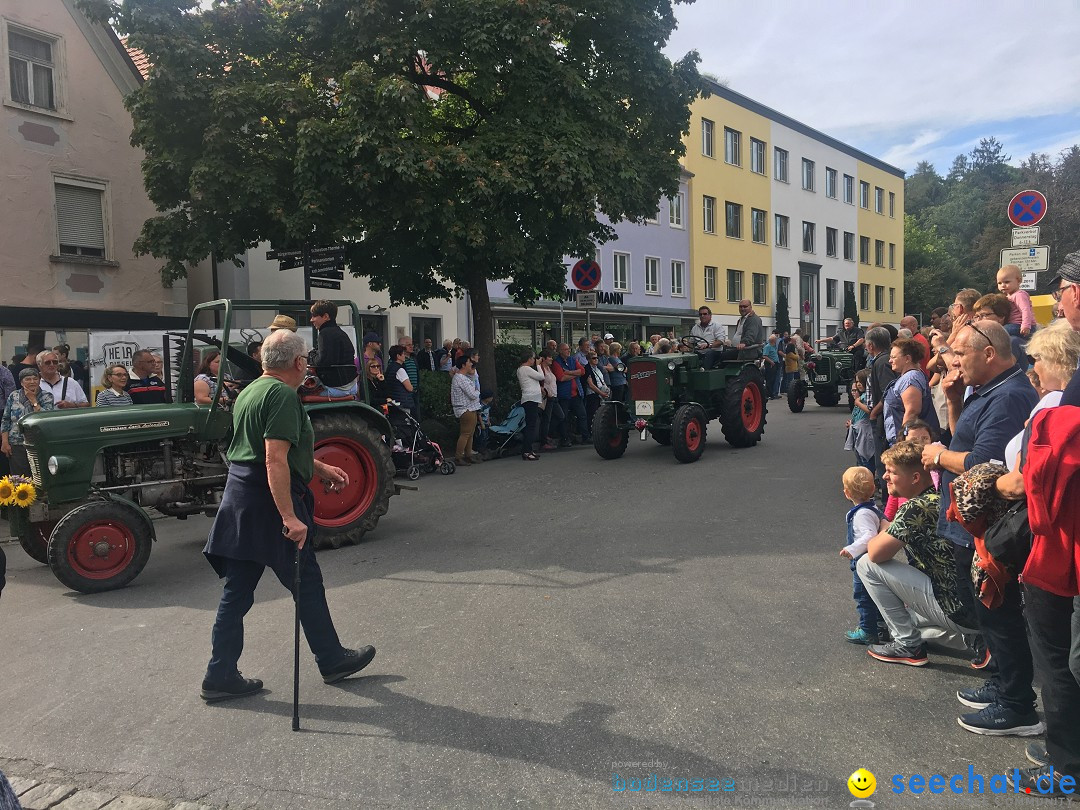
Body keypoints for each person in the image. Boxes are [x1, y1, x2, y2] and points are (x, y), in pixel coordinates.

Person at [200, 329, 374, 702]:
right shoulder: (281, 394)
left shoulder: (252, 390)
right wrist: (289, 517)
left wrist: (321, 468)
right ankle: (331, 660)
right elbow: (273, 458)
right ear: (299, 363)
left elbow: (269, 450)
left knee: (237, 593)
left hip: (242, 497)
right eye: (307, 359)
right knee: (306, 582)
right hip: (268, 502)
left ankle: (220, 674)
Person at [921, 320, 1039, 729]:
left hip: (987, 529)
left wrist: (937, 456)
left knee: (997, 611)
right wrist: (954, 402)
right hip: (972, 524)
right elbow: (964, 441)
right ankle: (1002, 681)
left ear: (988, 353)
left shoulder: (1008, 396)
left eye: (961, 353)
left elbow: (983, 464)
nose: (952, 362)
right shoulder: (987, 390)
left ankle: (1016, 702)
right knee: (986, 612)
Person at [858, 440, 977, 666]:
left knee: (866, 564)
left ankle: (908, 645)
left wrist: (880, 526)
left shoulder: (916, 507)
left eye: (892, 472)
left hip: (955, 605)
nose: (884, 476)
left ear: (915, 478)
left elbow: (875, 553)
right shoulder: (937, 496)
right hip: (972, 603)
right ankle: (977, 639)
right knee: (909, 618)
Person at [839, 466, 886, 645]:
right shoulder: (871, 508)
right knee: (875, 594)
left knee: (863, 596)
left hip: (863, 561)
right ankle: (880, 626)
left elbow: (869, 536)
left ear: (846, 493)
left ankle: (867, 629)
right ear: (873, 489)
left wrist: (853, 548)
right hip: (871, 560)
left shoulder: (862, 514)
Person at [1, 368, 56, 476]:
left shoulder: (47, 396)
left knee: (39, 476)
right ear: (21, 382)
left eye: (35, 379)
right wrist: (5, 442)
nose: (32, 381)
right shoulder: (13, 396)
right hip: (16, 444)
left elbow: (45, 418)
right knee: (19, 479)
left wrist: (33, 400)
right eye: (28, 379)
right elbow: (6, 419)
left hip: (38, 443)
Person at [882, 338, 937, 446]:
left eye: (893, 357)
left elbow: (912, 411)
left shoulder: (910, 378)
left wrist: (903, 442)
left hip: (907, 443)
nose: (890, 360)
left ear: (907, 358)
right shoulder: (910, 376)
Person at [864, 327, 897, 498]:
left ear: (870, 346)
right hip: (881, 418)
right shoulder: (882, 360)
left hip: (882, 419)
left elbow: (889, 392)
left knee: (882, 461)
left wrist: (874, 412)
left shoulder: (882, 362)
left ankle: (886, 499)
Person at [309, 301, 358, 397]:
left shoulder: (325, 333)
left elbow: (322, 361)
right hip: (352, 386)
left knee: (299, 393)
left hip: (336, 388)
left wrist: (310, 356)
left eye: (314, 316)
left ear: (326, 316)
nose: (311, 320)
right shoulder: (341, 333)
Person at [553, 343, 588, 444]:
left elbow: (582, 371)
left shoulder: (572, 359)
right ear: (560, 351)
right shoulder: (557, 363)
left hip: (576, 393)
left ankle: (585, 436)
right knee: (564, 417)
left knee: (582, 414)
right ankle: (565, 438)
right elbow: (561, 377)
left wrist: (569, 372)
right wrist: (575, 374)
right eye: (565, 349)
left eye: (569, 349)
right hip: (564, 394)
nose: (568, 351)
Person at [451, 353, 482, 465]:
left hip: (470, 408)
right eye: (469, 362)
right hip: (465, 409)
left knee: (470, 433)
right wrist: (477, 391)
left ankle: (468, 454)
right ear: (463, 365)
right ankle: (459, 456)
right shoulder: (460, 379)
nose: (471, 364)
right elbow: (473, 394)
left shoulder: (463, 377)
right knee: (465, 433)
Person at [516, 350, 545, 461]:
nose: (534, 360)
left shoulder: (521, 369)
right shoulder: (526, 369)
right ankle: (527, 451)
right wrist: (538, 366)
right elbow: (541, 377)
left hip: (530, 399)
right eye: (533, 358)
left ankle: (528, 449)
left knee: (531, 425)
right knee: (531, 426)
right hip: (531, 399)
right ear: (528, 359)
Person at [844, 369, 874, 473]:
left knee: (865, 459)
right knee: (860, 458)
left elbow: (870, 409)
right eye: (856, 382)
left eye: (860, 382)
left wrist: (858, 402)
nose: (858, 385)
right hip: (858, 431)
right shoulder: (861, 396)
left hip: (865, 433)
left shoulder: (865, 397)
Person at [996, 264, 1035, 339]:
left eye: (1007, 282)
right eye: (999, 283)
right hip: (1015, 325)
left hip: (1021, 325)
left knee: (1000, 331)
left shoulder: (1019, 295)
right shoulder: (1009, 296)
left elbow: (1025, 310)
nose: (1003, 285)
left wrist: (1026, 325)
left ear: (1019, 281)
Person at [537, 349, 562, 451]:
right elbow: (540, 381)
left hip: (554, 396)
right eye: (549, 357)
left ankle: (546, 434)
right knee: (546, 419)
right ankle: (544, 441)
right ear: (543, 358)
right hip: (548, 397)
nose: (551, 359)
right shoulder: (541, 369)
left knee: (560, 416)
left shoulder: (549, 368)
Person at [583, 350, 611, 427]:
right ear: (589, 360)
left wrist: (605, 389)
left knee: (601, 413)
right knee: (593, 414)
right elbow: (591, 385)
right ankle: (590, 431)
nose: (596, 360)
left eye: (597, 358)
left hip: (601, 392)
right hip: (592, 394)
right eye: (593, 358)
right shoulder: (587, 369)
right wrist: (601, 393)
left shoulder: (598, 368)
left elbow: (601, 380)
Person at [384, 345, 415, 412]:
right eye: (403, 354)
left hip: (392, 400)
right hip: (402, 401)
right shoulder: (400, 370)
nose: (404, 356)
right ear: (398, 356)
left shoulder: (390, 367)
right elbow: (409, 388)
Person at [400, 336, 420, 419]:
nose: (412, 347)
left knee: (417, 415)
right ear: (402, 346)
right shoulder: (399, 360)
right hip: (406, 393)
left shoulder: (414, 358)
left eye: (412, 344)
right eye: (409, 345)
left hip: (415, 392)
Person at [762, 334, 781, 399]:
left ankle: (772, 393)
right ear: (773, 340)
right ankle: (768, 394)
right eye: (775, 339)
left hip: (775, 363)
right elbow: (764, 356)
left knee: (773, 379)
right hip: (770, 364)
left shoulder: (774, 346)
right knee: (769, 379)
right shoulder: (768, 347)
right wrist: (771, 361)